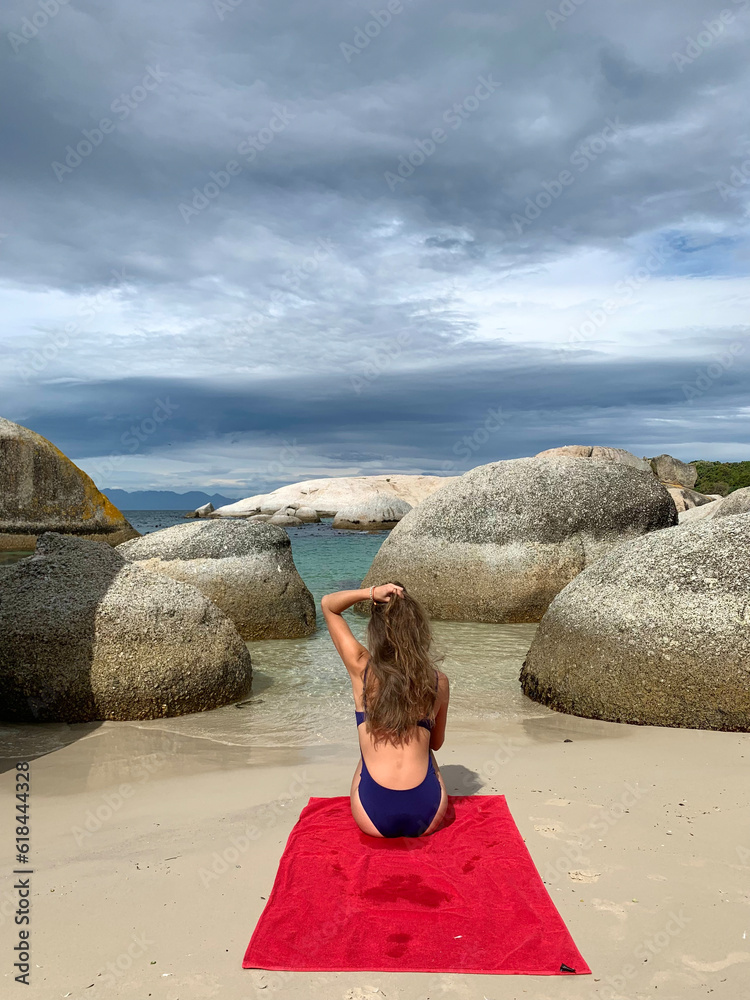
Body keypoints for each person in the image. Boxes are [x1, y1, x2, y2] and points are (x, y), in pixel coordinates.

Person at [321, 581, 450, 838]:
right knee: (425, 750)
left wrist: (369, 593)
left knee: (368, 749)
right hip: (428, 814)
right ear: (418, 630)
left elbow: (328, 605)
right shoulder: (437, 681)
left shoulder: (362, 669)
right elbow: (436, 744)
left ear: (376, 631)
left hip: (372, 815)